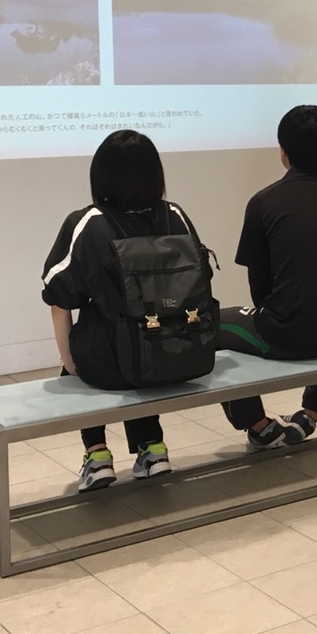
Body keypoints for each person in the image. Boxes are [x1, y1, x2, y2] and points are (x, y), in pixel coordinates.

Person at [42, 130, 212, 492]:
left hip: (112, 365)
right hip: (181, 354)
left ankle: (97, 456)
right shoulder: (175, 215)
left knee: (97, 349)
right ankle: (153, 449)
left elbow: (58, 299)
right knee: (145, 340)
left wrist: (71, 364)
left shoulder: (88, 223)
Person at [215, 105, 317, 448]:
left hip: (286, 335)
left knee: (210, 325)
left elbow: (259, 285)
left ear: (283, 152)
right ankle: (311, 414)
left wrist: (275, 317)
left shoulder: (264, 202)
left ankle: (258, 425)